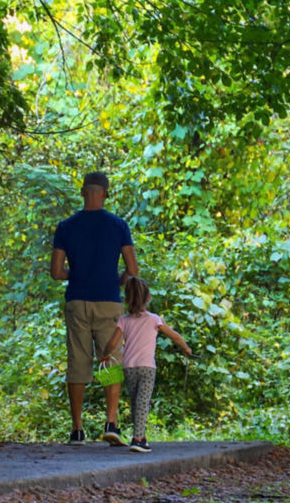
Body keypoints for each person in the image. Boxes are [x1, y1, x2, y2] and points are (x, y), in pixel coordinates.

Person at [50, 171, 139, 446]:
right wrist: (118, 279)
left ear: (82, 193)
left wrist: (76, 274)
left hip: (77, 300)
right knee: (110, 360)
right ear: (106, 194)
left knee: (78, 361)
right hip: (109, 301)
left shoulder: (65, 227)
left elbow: (55, 272)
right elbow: (133, 270)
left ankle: (77, 430)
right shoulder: (118, 225)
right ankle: (111, 423)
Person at [103, 276, 192, 453]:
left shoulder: (124, 320)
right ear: (148, 298)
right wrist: (186, 349)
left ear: (127, 299)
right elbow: (173, 335)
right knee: (143, 402)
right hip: (147, 367)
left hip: (129, 367)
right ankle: (137, 439)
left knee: (137, 402)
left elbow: (113, 343)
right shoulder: (154, 319)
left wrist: (105, 354)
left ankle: (140, 436)